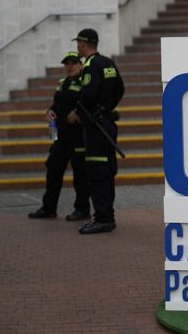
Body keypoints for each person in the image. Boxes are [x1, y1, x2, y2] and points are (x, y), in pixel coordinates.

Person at [67, 28, 125, 234]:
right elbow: (120, 89)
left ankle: (102, 218)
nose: (77, 48)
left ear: (83, 44)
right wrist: (108, 107)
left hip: (95, 126)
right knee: (107, 170)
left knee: (97, 170)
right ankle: (107, 215)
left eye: (78, 44)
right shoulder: (108, 62)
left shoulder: (91, 65)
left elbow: (89, 93)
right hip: (107, 122)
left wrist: (79, 111)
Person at [28, 51, 91, 221]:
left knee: (80, 174)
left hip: (77, 135)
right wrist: (50, 111)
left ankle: (82, 209)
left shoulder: (85, 83)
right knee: (53, 169)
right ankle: (49, 208)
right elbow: (57, 104)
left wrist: (76, 113)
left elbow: (87, 104)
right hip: (60, 135)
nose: (69, 66)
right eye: (67, 63)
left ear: (81, 65)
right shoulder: (62, 83)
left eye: (73, 63)